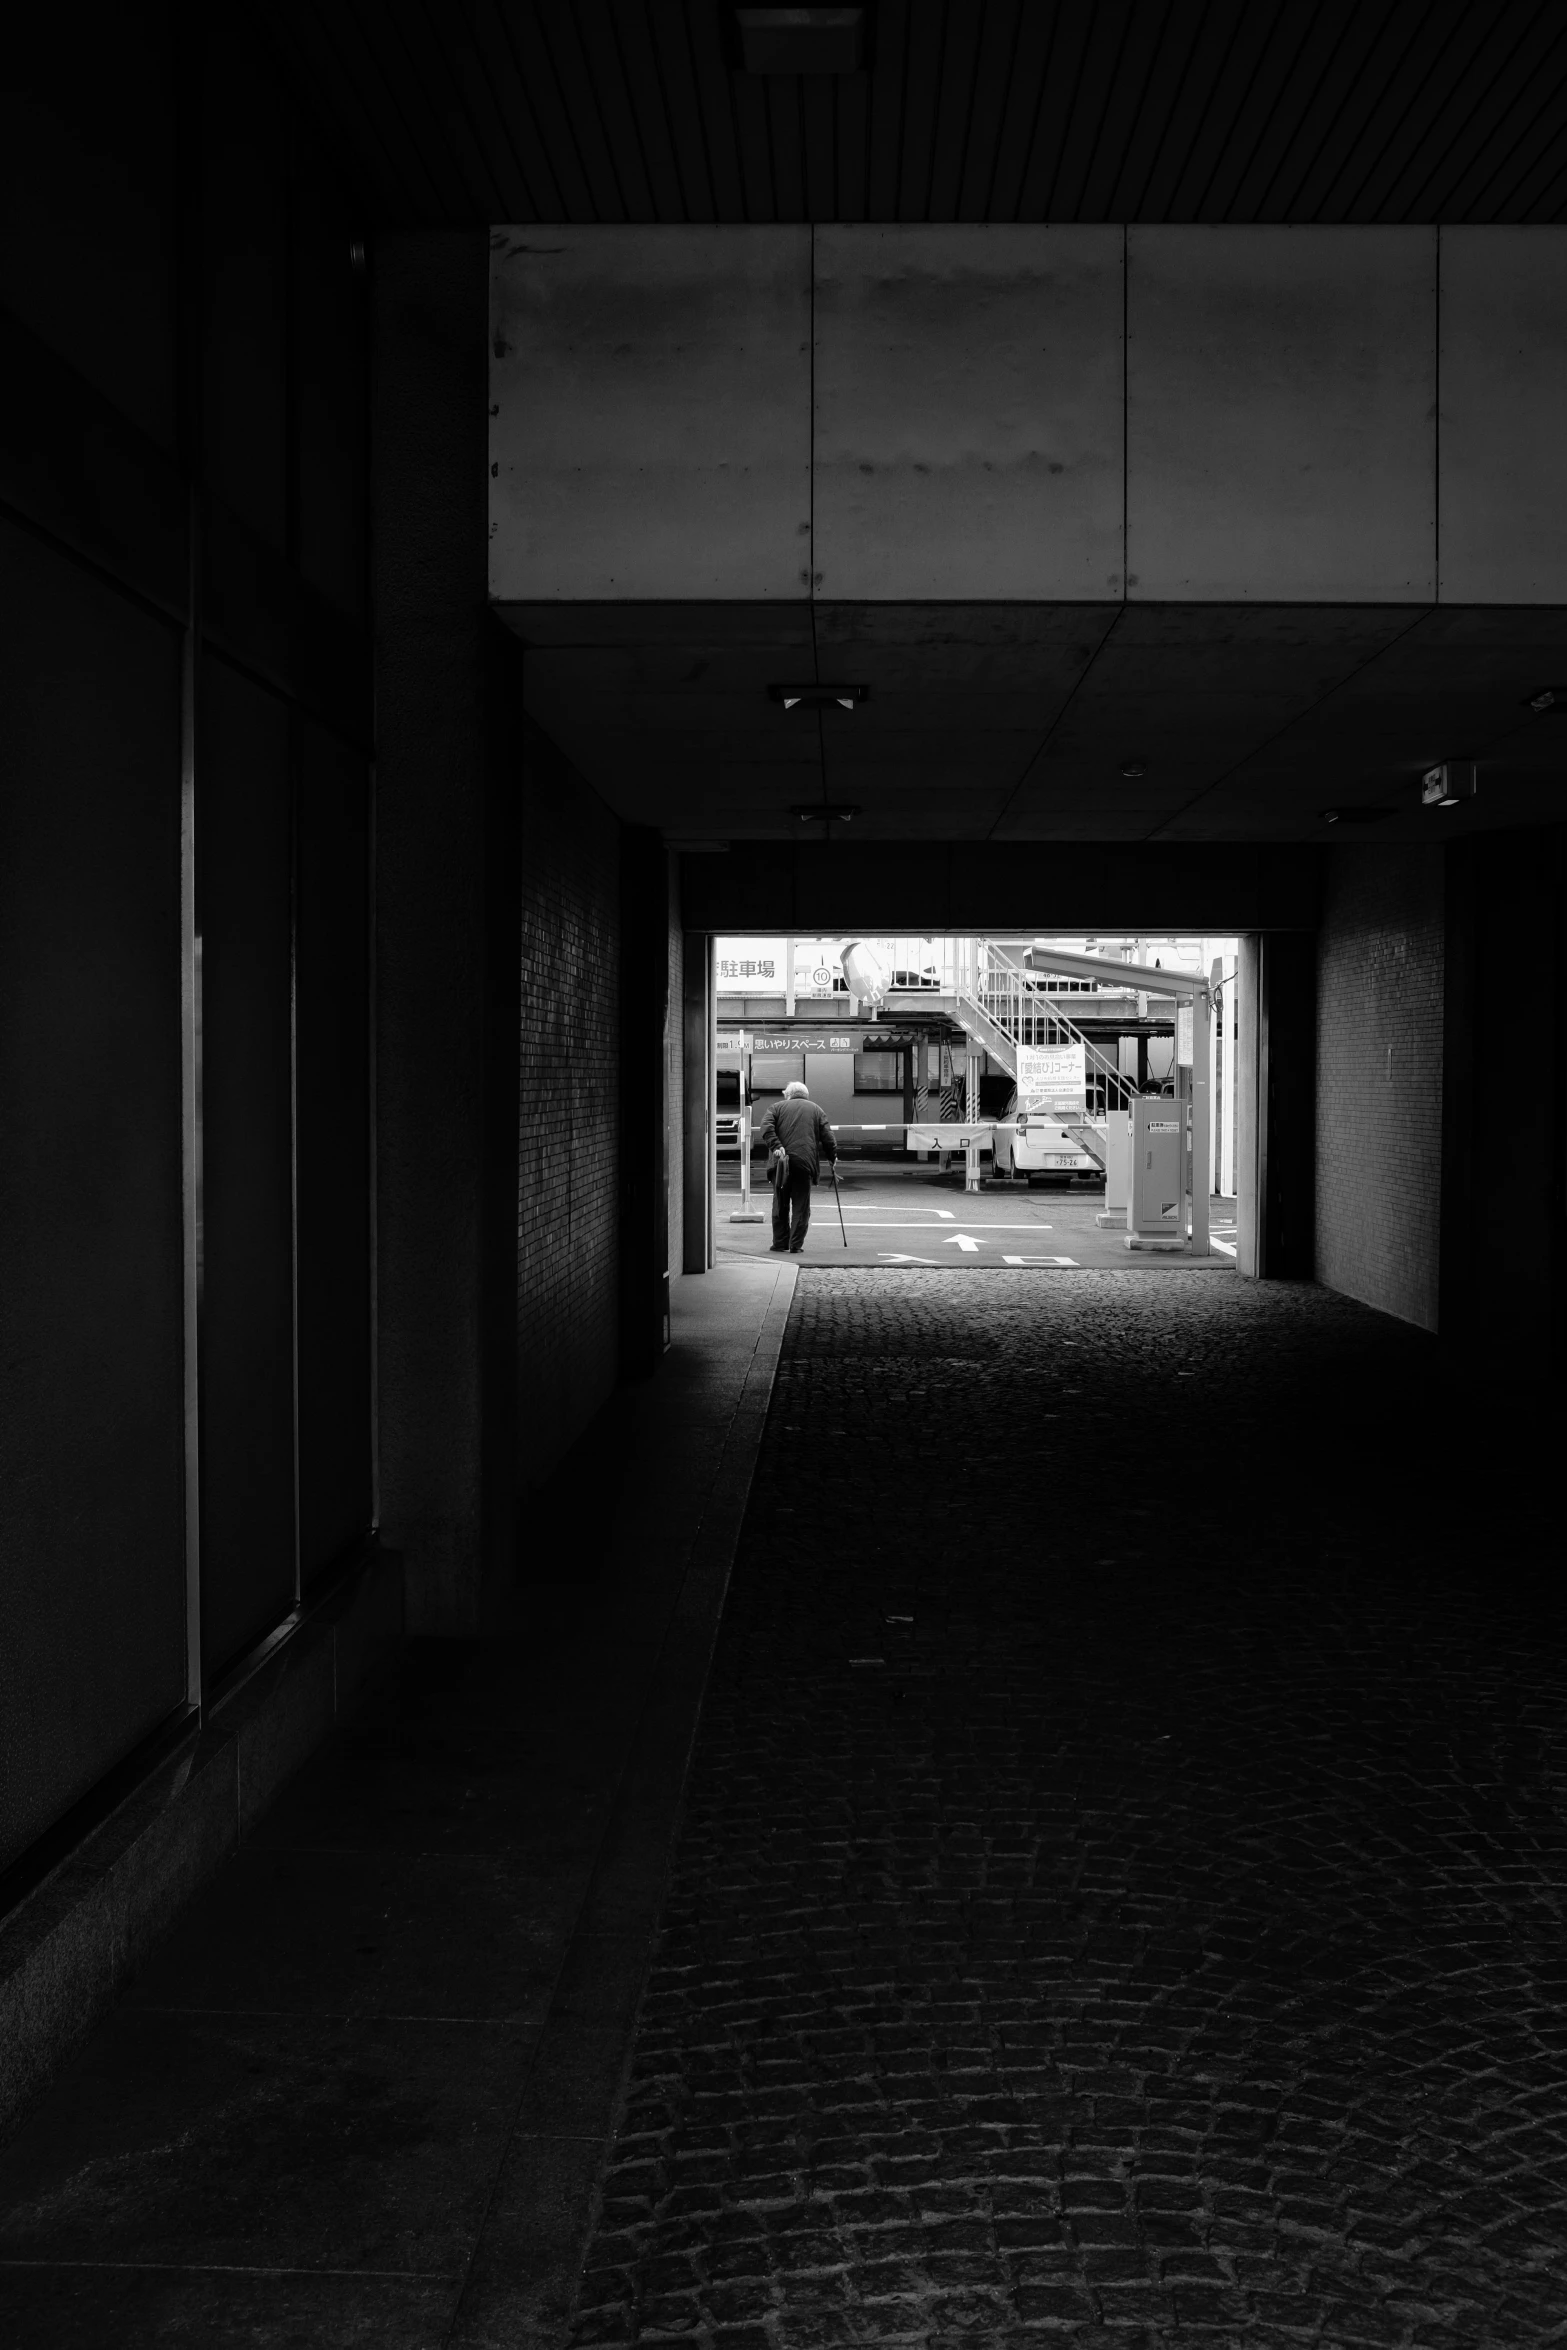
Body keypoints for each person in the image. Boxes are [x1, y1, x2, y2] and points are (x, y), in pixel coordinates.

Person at [758, 1079, 838, 1254]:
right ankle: (796, 1245)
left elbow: (766, 1128)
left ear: (788, 1095)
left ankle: (779, 1243)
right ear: (806, 1096)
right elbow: (828, 1138)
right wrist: (832, 1157)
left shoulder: (776, 1107)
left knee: (780, 1203)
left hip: (781, 1164)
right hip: (804, 1164)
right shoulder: (816, 1109)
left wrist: (777, 1146)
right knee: (801, 1205)